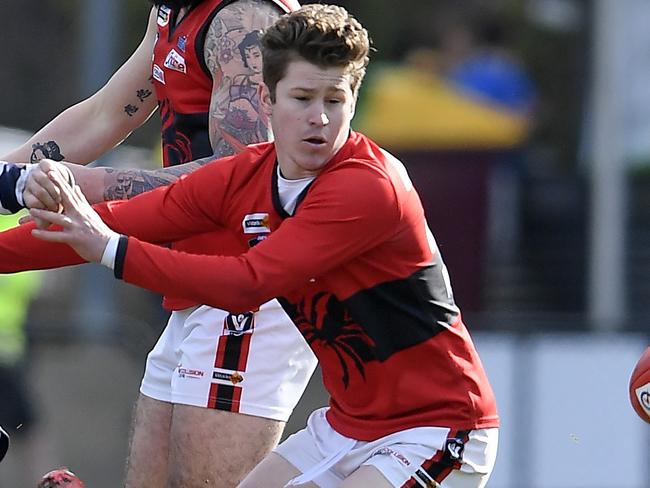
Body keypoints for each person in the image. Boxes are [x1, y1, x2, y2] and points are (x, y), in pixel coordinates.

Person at [0, 4, 499, 487]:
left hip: (435, 427)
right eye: (303, 99)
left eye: (335, 100)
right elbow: (120, 218)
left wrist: (107, 246)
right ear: (267, 99)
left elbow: (247, 283)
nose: (320, 119)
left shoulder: (366, 187)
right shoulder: (247, 174)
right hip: (346, 426)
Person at [0, 0, 317, 487]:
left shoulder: (243, 18)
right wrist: (8, 183)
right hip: (193, 279)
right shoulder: (171, 11)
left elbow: (244, 172)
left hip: (249, 287)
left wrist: (95, 184)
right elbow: (103, 115)